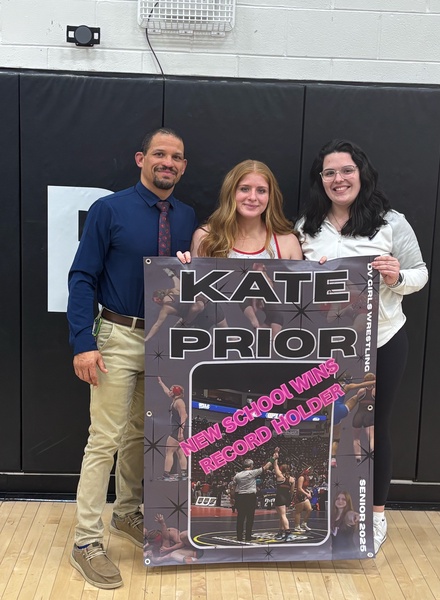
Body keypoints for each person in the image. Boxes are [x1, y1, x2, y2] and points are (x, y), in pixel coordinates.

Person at [67, 128, 197, 589]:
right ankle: (85, 541)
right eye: (160, 154)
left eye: (176, 157)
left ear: (183, 166)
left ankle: (126, 514)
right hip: (118, 335)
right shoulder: (110, 209)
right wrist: (83, 341)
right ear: (141, 158)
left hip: (166, 342)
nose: (168, 162)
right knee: (104, 437)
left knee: (142, 434)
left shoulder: (188, 217)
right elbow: (82, 276)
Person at [295, 139, 428, 554]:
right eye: (330, 172)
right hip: (326, 348)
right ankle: (324, 510)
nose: (339, 179)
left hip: (383, 340)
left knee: (375, 428)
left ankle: (377, 513)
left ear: (361, 173)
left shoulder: (391, 222)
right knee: (327, 430)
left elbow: (420, 273)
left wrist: (396, 277)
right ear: (321, 180)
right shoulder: (305, 227)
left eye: (346, 170)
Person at [176, 159, 303, 262]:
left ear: (270, 196)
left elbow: (298, 293)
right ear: (231, 192)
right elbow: (197, 292)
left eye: (261, 190)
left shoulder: (288, 242)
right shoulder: (206, 237)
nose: (253, 197)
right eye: (244, 189)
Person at [232, 455, 274, 542]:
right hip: (250, 497)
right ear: (251, 466)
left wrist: (233, 497)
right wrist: (273, 458)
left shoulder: (237, 475)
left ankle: (239, 536)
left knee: (240, 517)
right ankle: (248, 536)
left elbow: (233, 487)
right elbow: (266, 467)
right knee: (250, 517)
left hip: (240, 497)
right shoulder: (252, 472)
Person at [157, 377, 188, 481]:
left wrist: (180, 433)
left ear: (175, 392)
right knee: (180, 452)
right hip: (178, 430)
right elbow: (167, 392)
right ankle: (184, 474)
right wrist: (161, 383)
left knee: (169, 451)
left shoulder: (179, 402)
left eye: (171, 390)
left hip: (177, 431)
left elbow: (184, 416)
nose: (169, 391)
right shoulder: (176, 400)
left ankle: (166, 474)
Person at [351, 373, 376, 464]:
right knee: (372, 437)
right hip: (369, 415)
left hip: (358, 415)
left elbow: (356, 399)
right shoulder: (375, 391)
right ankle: (373, 452)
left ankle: (358, 458)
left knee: (356, 438)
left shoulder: (361, 391)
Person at [272, 451, 296, 541]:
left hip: (280, 497)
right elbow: (292, 491)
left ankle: (288, 532)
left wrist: (276, 457)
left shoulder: (280, 476)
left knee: (282, 515)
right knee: (283, 515)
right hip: (287, 497)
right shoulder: (292, 479)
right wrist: (290, 499)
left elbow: (275, 466)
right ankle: (281, 531)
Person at [331, 491, 360, 558]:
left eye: (343, 499)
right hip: (336, 553)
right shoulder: (333, 516)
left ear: (348, 502)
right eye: (337, 499)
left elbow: (351, 515)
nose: (340, 501)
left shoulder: (348, 514)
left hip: (349, 554)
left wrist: (356, 516)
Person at [294, 467, 313, 533]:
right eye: (309, 470)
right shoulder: (301, 477)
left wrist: (308, 492)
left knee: (309, 509)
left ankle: (304, 524)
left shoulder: (306, 478)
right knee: (298, 512)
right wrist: (307, 494)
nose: (310, 471)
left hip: (304, 495)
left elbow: (304, 487)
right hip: (299, 495)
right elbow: (299, 488)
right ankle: (297, 527)